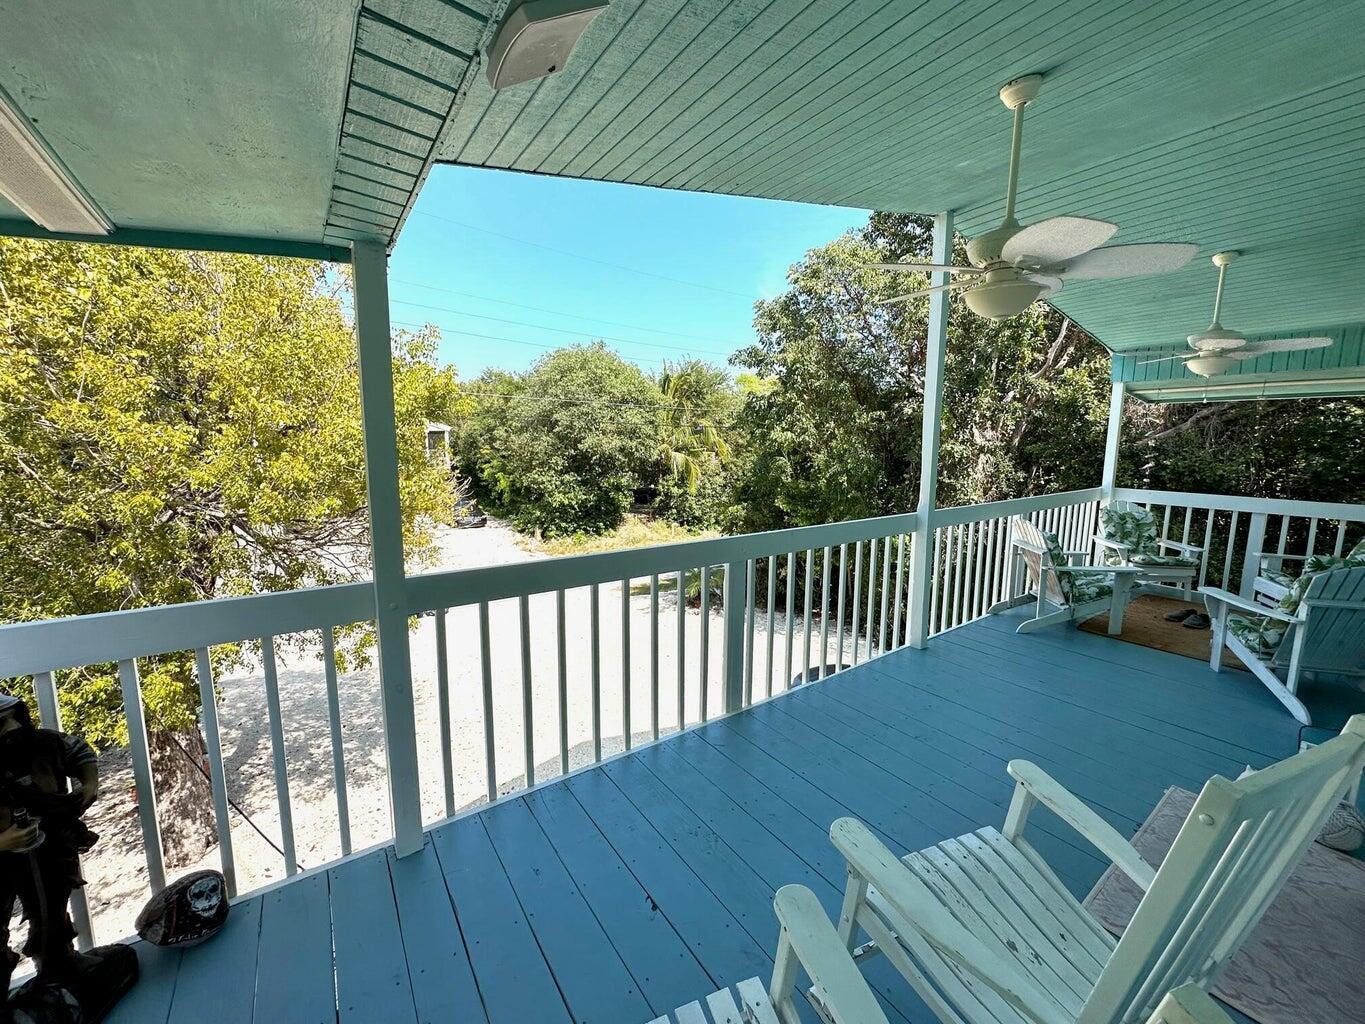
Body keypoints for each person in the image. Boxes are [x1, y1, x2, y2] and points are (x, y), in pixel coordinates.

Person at [0, 692, 98, 992]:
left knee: (50, 910)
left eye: (11, 720)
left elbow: (80, 751)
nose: (10, 731)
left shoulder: (44, 743)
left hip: (49, 844)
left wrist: (90, 783)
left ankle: (58, 968)